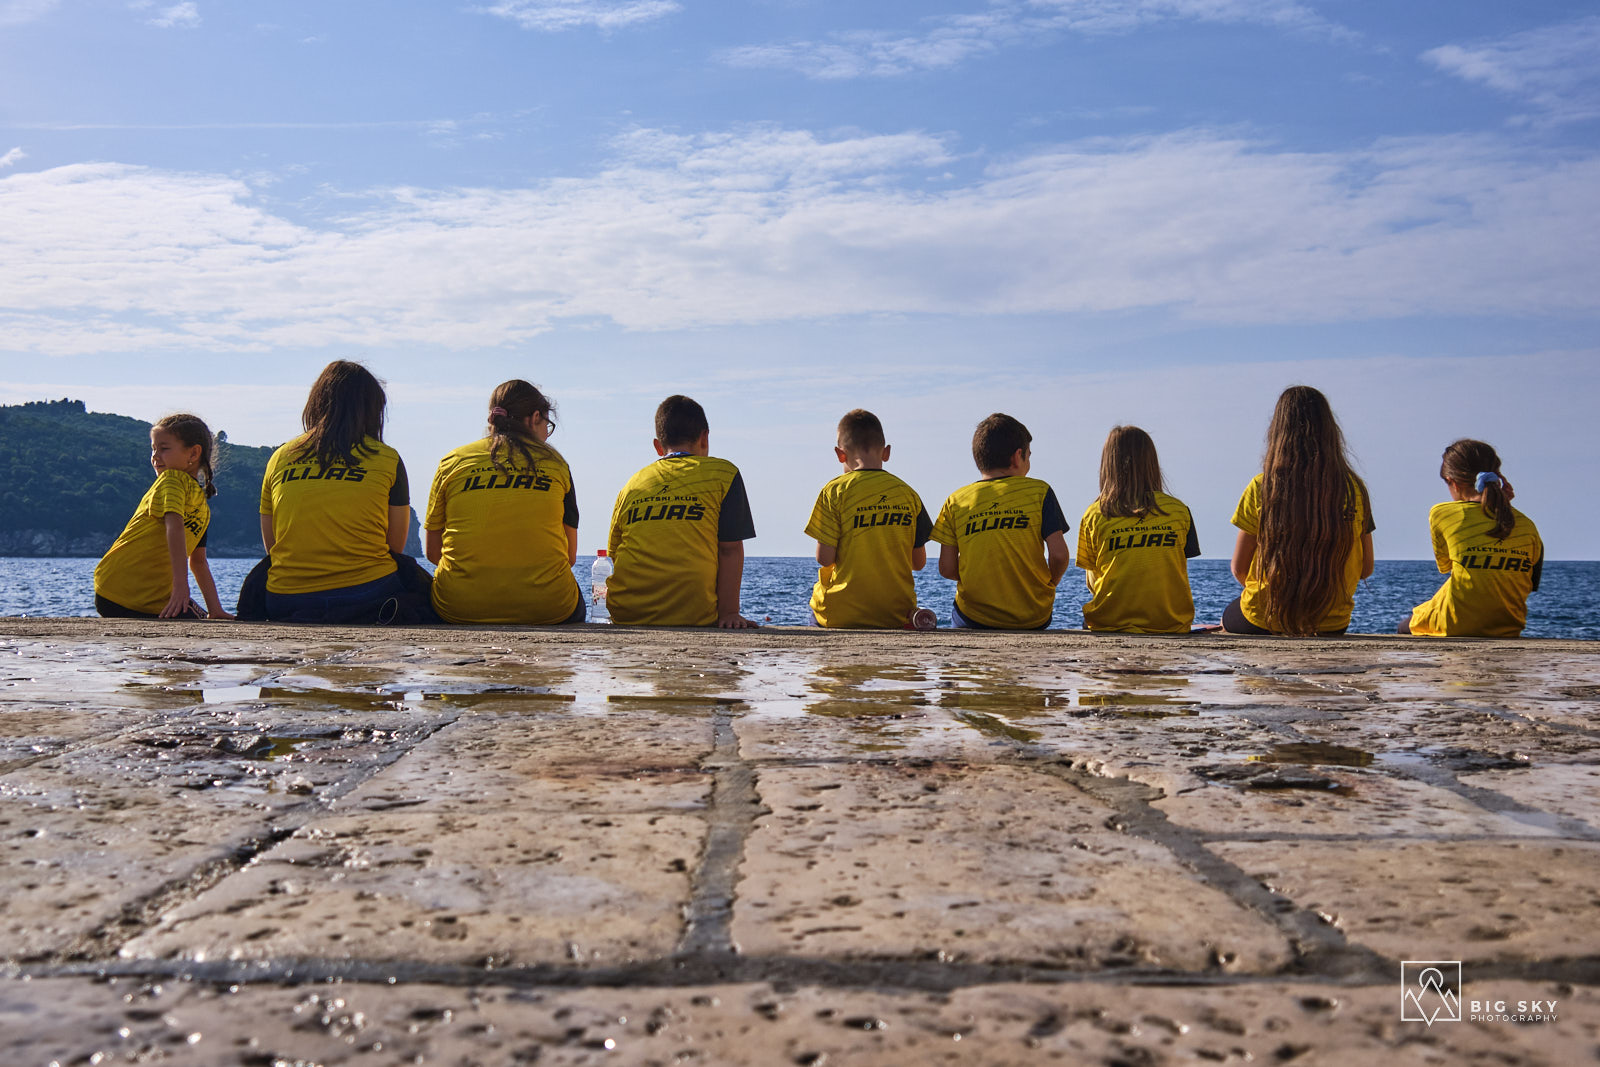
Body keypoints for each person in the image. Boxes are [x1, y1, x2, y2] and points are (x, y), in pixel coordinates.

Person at [256, 360, 432, 624]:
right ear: (372, 410)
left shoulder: (281, 457)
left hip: (285, 598)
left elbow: (272, 545)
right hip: (366, 595)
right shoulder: (386, 458)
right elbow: (395, 546)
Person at [424, 380, 584, 625]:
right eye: (547, 426)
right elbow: (570, 557)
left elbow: (433, 553)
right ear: (534, 418)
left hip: (459, 607)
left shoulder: (453, 461)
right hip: (548, 609)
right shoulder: (556, 464)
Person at [1224, 385, 1374, 636]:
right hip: (1332, 623)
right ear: (1330, 432)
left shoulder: (1263, 486)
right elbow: (1365, 569)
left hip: (1264, 618)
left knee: (1228, 617)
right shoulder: (1354, 489)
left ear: (1278, 431)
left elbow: (1239, 568)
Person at [606, 395, 758, 628]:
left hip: (626, 613)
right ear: (704, 438)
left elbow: (613, 554)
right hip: (692, 614)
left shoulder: (632, 484)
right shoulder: (723, 474)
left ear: (658, 446)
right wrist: (729, 612)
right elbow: (729, 550)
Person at [931, 413, 1070, 629]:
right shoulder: (1040, 492)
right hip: (1032, 616)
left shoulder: (956, 500)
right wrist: (1051, 582)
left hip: (974, 617)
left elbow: (947, 568)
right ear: (1017, 457)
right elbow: (1060, 555)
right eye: (1029, 456)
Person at [94, 413, 231, 620]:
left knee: (204, 622)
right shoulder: (172, 480)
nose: (155, 456)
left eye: (164, 449)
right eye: (153, 449)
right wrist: (181, 586)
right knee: (199, 627)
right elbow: (173, 527)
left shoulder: (201, 506)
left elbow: (199, 562)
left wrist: (216, 611)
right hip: (124, 590)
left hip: (140, 595)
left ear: (193, 454)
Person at [805, 409, 932, 628]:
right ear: (886, 452)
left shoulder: (833, 492)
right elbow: (918, 563)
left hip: (839, 615)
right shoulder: (908, 494)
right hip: (895, 614)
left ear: (840, 454)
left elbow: (824, 558)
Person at [1402, 439, 1542, 637]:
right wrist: (1502, 506)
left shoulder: (1442, 513)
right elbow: (1529, 582)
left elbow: (1447, 566)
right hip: (1508, 627)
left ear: (1452, 481)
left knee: (1404, 627)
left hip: (1455, 624)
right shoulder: (1527, 526)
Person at [1076, 426, 1199, 633]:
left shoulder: (1095, 514)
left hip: (1110, 623)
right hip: (1170, 623)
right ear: (1151, 463)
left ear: (1108, 465)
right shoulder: (1178, 511)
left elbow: (1093, 582)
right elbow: (1175, 568)